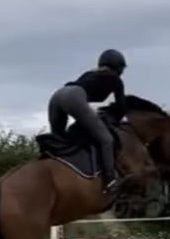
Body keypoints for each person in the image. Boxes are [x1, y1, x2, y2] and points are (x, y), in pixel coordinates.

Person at [47, 48, 127, 194]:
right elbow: (121, 106)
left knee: (57, 140)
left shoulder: (90, 73)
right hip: (74, 96)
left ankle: (49, 166)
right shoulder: (116, 79)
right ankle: (110, 181)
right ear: (119, 68)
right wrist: (117, 121)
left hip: (57, 96)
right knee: (107, 140)